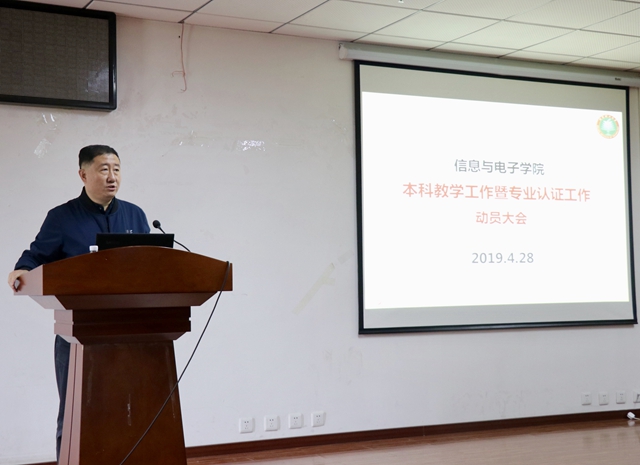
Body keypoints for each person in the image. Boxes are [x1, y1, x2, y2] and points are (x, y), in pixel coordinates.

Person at [7, 145, 150, 462]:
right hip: (76, 331)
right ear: (83, 174)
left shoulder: (135, 215)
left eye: (116, 169)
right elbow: (35, 256)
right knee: (74, 411)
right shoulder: (62, 217)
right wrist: (22, 269)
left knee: (126, 410)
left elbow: (151, 264)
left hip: (129, 332)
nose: (112, 176)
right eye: (103, 169)